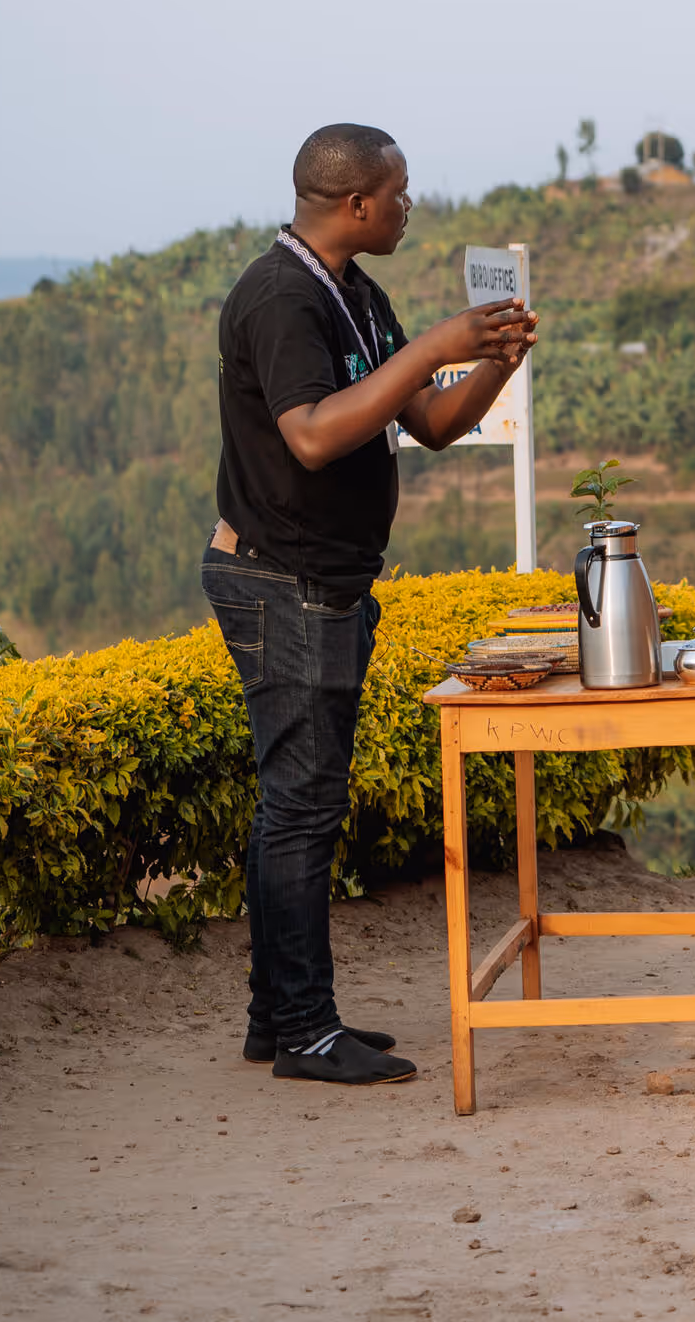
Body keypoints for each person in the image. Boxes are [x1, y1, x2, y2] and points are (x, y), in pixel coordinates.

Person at [205, 124, 538, 1083]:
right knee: (303, 810)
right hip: (283, 580)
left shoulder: (353, 292)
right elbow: (311, 436)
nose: (408, 207)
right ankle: (307, 1029)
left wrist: (491, 363)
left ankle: (280, 1017)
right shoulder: (279, 298)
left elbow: (426, 422)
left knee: (293, 808)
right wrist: (435, 341)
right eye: (398, 194)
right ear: (356, 204)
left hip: (324, 580)